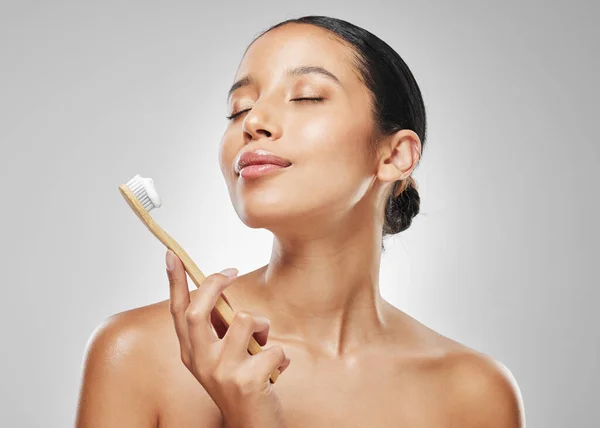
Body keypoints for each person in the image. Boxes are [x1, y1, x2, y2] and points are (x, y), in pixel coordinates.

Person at [75, 15, 525, 427]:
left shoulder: (473, 393)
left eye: (307, 96)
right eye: (238, 108)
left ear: (394, 155)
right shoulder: (137, 353)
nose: (254, 121)